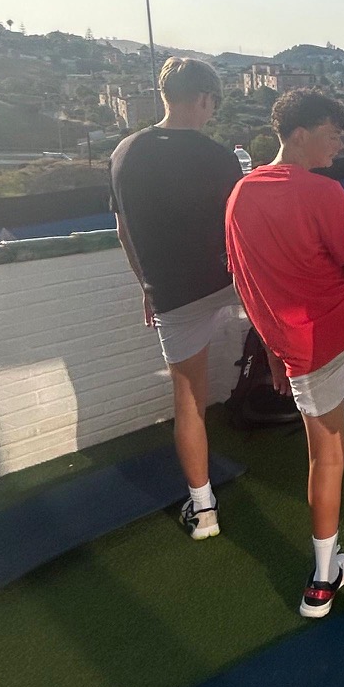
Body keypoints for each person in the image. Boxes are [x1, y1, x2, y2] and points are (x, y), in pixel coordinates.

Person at [225, 89, 344, 619]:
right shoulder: (323, 190)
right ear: (302, 132)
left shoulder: (242, 194)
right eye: (333, 135)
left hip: (301, 353)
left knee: (325, 459)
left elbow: (247, 282)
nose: (339, 145)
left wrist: (273, 352)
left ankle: (322, 581)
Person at [110, 56, 243, 539]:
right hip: (230, 280)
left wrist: (147, 286)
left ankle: (203, 509)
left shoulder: (126, 152)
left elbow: (125, 231)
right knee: (287, 339)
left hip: (171, 291)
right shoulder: (218, 156)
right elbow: (245, 228)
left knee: (189, 398)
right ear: (204, 98)